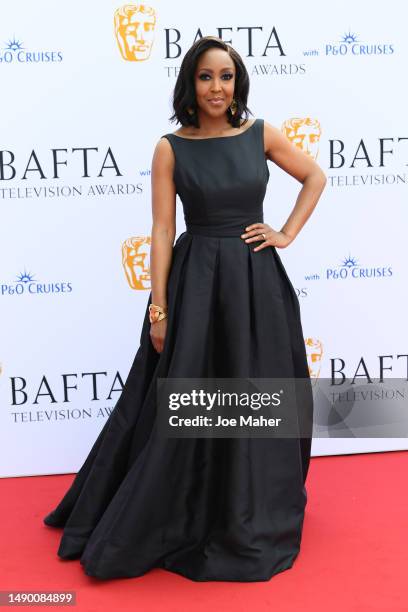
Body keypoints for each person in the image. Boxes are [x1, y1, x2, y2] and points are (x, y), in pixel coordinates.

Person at [43, 35, 327, 582]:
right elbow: (161, 228)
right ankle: (187, 505)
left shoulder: (261, 134)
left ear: (237, 82)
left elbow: (315, 176)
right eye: (205, 77)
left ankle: (250, 504)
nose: (217, 87)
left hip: (255, 281)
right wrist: (159, 308)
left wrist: (286, 233)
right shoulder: (170, 147)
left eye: (225, 76)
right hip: (196, 282)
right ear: (189, 85)